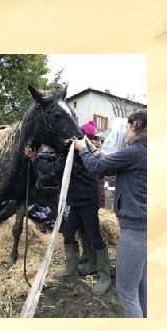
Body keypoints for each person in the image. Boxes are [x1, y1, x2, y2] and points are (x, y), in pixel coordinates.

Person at [74, 109, 147, 318]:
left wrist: (81, 149)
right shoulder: (144, 152)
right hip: (147, 228)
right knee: (142, 289)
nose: (125, 131)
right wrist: (91, 148)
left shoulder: (136, 151)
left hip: (136, 230)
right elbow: (111, 161)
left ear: (136, 126)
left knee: (127, 294)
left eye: (127, 126)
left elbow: (97, 167)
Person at [25, 123, 109, 295]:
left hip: (87, 200)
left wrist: (35, 160)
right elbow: (55, 159)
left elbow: (55, 168)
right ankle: (72, 268)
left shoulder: (81, 149)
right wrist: (39, 155)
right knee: (69, 232)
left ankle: (104, 276)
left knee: (94, 236)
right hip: (76, 200)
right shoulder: (70, 148)